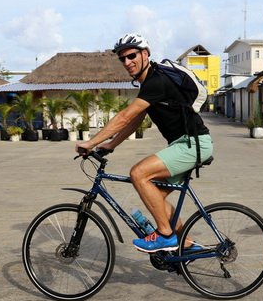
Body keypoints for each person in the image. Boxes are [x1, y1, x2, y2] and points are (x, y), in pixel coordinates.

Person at [75, 33, 213, 252]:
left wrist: (91, 142)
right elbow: (134, 121)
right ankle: (186, 246)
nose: (127, 62)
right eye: (122, 59)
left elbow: (124, 117)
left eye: (131, 56)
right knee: (157, 197)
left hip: (191, 144)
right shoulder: (151, 83)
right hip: (186, 144)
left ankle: (165, 236)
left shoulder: (156, 82)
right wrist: (111, 144)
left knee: (138, 173)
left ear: (145, 54)